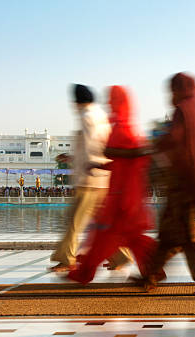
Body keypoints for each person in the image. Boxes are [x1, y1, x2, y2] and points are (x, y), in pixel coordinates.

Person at [142, 73, 195, 296]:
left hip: (185, 185)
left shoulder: (184, 110)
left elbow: (177, 142)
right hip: (187, 183)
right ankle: (149, 275)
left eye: (173, 90)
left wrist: (159, 139)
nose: (171, 95)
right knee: (175, 237)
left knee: (192, 238)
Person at [67, 85, 156, 284]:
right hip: (118, 188)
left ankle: (85, 272)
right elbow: (121, 160)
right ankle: (153, 268)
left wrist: (108, 157)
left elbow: (134, 154)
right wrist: (100, 163)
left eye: (113, 99)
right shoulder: (117, 123)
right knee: (127, 236)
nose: (109, 103)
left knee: (105, 234)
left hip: (124, 192)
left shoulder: (125, 128)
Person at [49, 84, 131, 273]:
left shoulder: (87, 117)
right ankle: (121, 255)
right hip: (101, 179)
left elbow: (90, 146)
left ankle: (66, 258)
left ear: (77, 102)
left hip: (89, 180)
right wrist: (73, 158)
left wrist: (87, 165)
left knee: (74, 222)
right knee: (104, 225)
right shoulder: (100, 116)